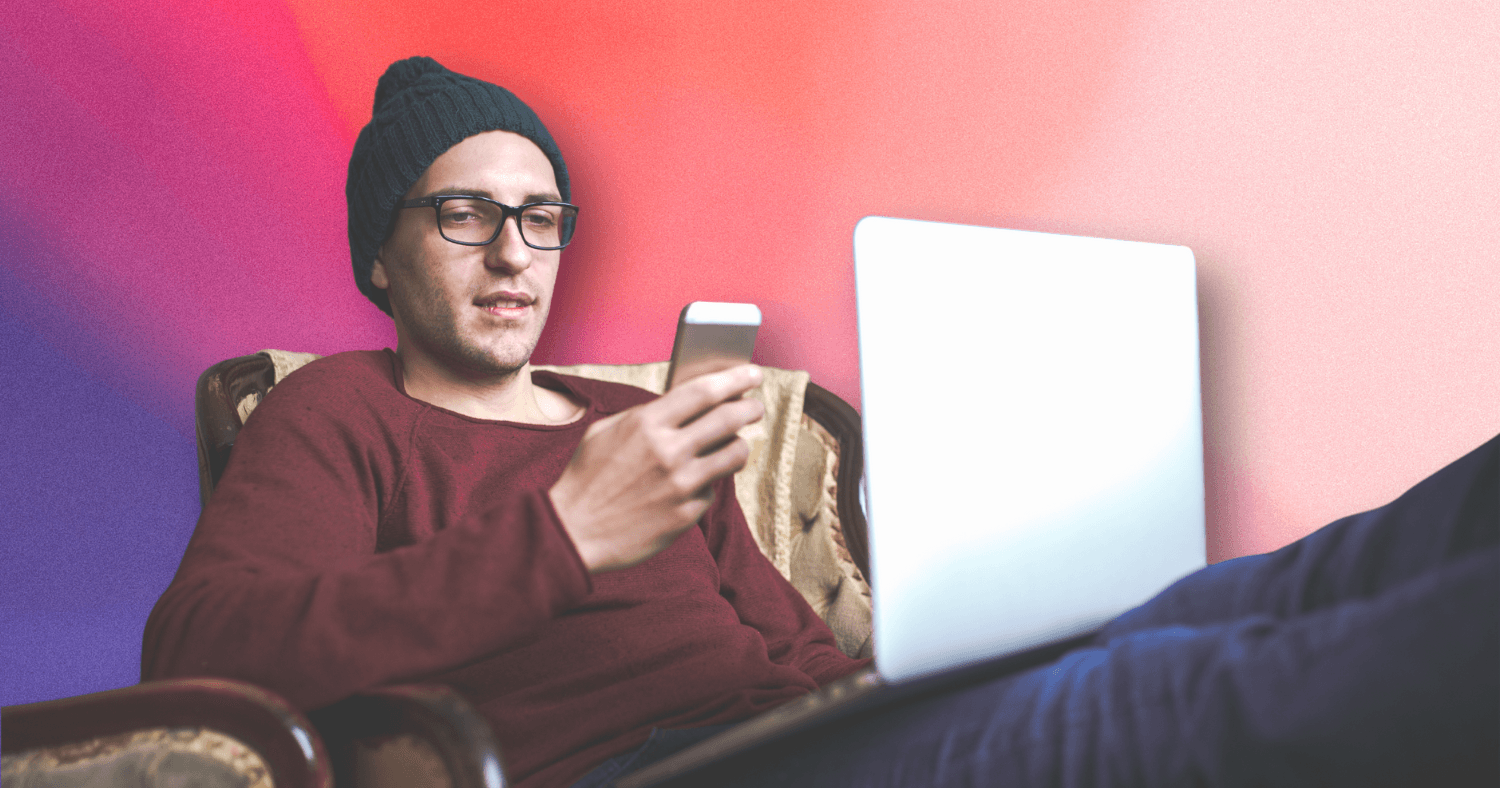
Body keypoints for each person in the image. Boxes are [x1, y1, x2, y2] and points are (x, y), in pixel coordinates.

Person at [143, 56, 1498, 788]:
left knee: (1276, 590)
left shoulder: (635, 416)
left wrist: (885, 689)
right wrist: (560, 534)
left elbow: (783, 640)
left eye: (540, 216)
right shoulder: (337, 414)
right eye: (463, 213)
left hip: (802, 739)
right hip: (639, 773)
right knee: (1172, 695)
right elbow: (206, 659)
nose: (513, 251)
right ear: (379, 258)